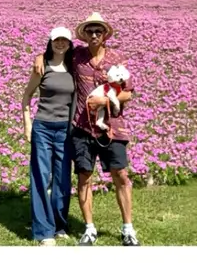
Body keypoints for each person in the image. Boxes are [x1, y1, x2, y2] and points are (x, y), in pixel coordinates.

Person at [69, 12, 138, 246]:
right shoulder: (76, 56)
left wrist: (106, 102)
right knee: (84, 177)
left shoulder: (117, 58)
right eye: (90, 31)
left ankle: (128, 228)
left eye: (98, 31)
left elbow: (128, 93)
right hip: (82, 128)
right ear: (84, 35)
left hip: (113, 127)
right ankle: (89, 229)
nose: (94, 34)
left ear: (105, 34)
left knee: (120, 175)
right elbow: (53, 56)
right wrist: (40, 59)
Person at [22, 26, 77, 245]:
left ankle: (59, 224)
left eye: (64, 40)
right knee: (41, 176)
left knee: (63, 178)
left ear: (70, 44)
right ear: (50, 42)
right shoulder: (41, 66)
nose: (60, 43)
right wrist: (27, 125)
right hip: (43, 127)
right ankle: (44, 231)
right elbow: (26, 96)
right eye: (57, 40)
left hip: (65, 129)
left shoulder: (74, 67)